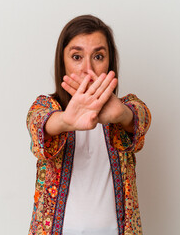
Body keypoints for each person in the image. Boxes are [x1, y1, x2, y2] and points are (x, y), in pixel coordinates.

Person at [26, 15, 151, 235]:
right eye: (76, 56)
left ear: (110, 62)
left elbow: (140, 118)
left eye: (98, 56)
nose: (88, 69)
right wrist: (65, 120)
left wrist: (121, 113)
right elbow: (38, 124)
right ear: (62, 62)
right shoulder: (46, 107)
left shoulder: (125, 109)